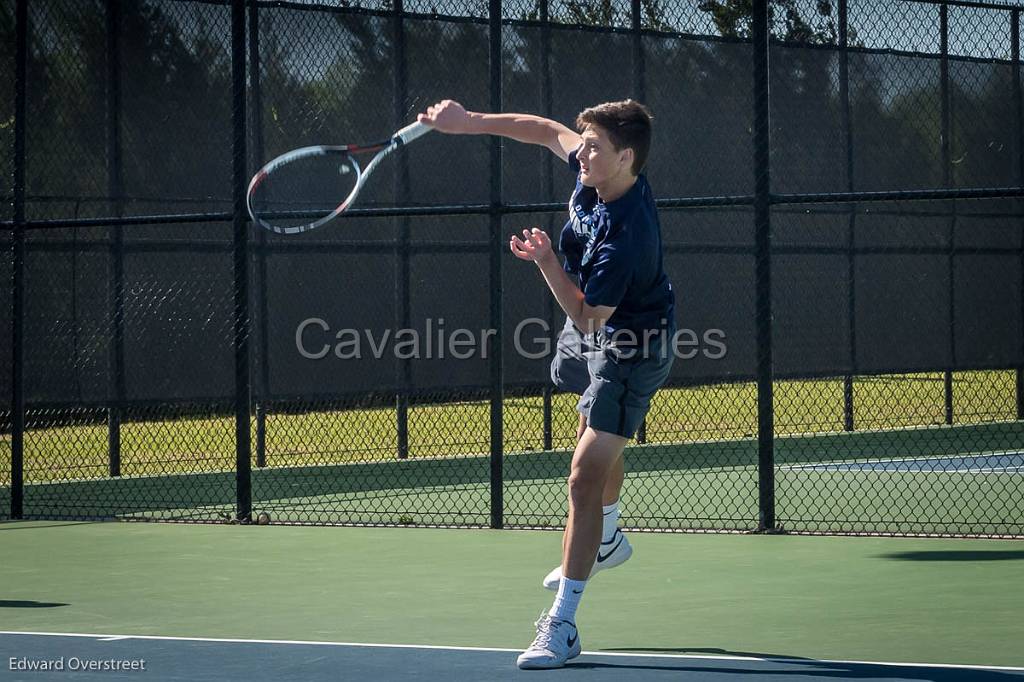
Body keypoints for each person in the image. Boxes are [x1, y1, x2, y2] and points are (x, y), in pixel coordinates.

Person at [417, 99, 675, 670]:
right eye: (583, 143)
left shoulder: (626, 234)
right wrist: (469, 123)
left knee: (583, 478)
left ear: (625, 158)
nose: (580, 151)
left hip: (629, 344)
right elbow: (539, 129)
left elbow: (589, 317)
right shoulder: (593, 169)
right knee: (591, 424)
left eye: (594, 146)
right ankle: (607, 536)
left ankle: (562, 625)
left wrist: (545, 262)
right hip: (593, 329)